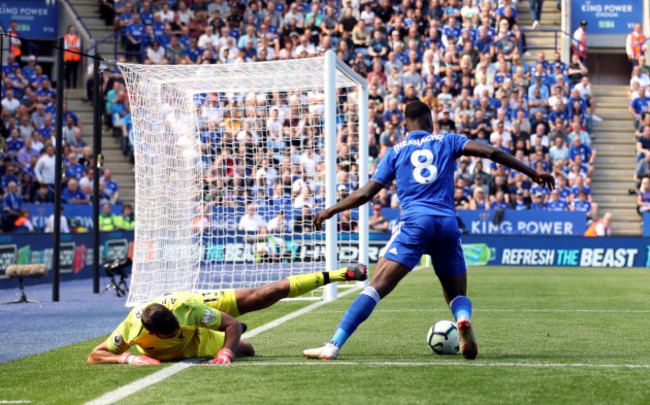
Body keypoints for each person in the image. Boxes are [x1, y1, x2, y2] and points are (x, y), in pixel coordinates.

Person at [303, 101, 555, 361]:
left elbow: (366, 192)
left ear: (404, 125)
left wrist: (330, 210)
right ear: (430, 121)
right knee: (456, 294)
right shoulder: (448, 140)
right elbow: (491, 153)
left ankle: (333, 345)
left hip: (415, 222)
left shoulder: (395, 151)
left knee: (377, 286)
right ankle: (463, 319)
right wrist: (533, 173)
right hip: (446, 223)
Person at [87, 264, 368, 365]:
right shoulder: (131, 328)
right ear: (154, 334)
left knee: (263, 295)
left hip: (199, 308)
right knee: (249, 349)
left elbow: (231, 323)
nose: (176, 331)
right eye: (171, 333)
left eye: (176, 328)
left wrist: (225, 353)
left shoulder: (187, 310)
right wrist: (127, 357)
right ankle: (219, 336)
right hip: (193, 340)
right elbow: (95, 355)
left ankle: (340, 273)